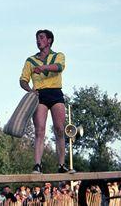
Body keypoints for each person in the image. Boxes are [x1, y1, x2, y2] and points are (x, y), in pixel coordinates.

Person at [19, 29, 74, 174]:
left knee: (60, 129)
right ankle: (37, 165)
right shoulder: (30, 60)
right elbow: (23, 80)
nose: (38, 41)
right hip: (39, 94)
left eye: (41, 38)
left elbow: (59, 67)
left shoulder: (58, 55)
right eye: (37, 38)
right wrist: (29, 90)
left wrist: (43, 68)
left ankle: (61, 165)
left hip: (55, 93)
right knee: (39, 130)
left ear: (49, 40)